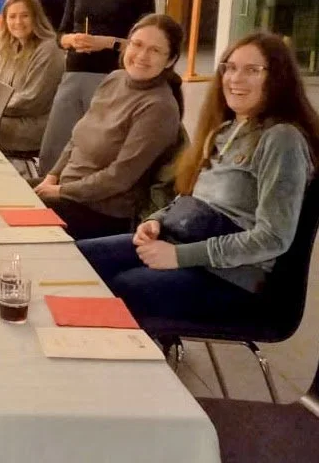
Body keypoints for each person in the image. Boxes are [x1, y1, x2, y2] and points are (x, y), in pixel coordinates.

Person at [78, 32, 319, 324]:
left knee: (125, 287)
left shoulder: (282, 139)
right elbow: (191, 199)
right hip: (183, 241)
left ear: (278, 77)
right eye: (229, 67)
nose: (235, 78)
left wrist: (180, 257)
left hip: (232, 278)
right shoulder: (225, 129)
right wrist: (156, 220)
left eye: (252, 70)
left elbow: (272, 238)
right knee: (77, 260)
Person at [34, 14, 184, 239]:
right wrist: (52, 176)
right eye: (137, 44)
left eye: (155, 50)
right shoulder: (114, 78)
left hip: (103, 211)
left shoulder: (159, 107)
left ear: (170, 60)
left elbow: (119, 178)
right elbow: (77, 138)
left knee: (8, 217)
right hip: (67, 188)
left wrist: (60, 191)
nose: (142, 55)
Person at [38, 0, 155, 175]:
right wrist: (72, 40)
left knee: (95, 149)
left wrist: (107, 43)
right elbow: (60, 35)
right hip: (73, 74)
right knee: (53, 147)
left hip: (112, 77)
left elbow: (145, 43)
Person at [0, 0, 64, 153]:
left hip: (32, 125)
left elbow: (32, 100)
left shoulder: (49, 49)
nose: (18, 22)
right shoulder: (8, 47)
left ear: (36, 18)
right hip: (4, 116)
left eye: (25, 16)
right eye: (12, 16)